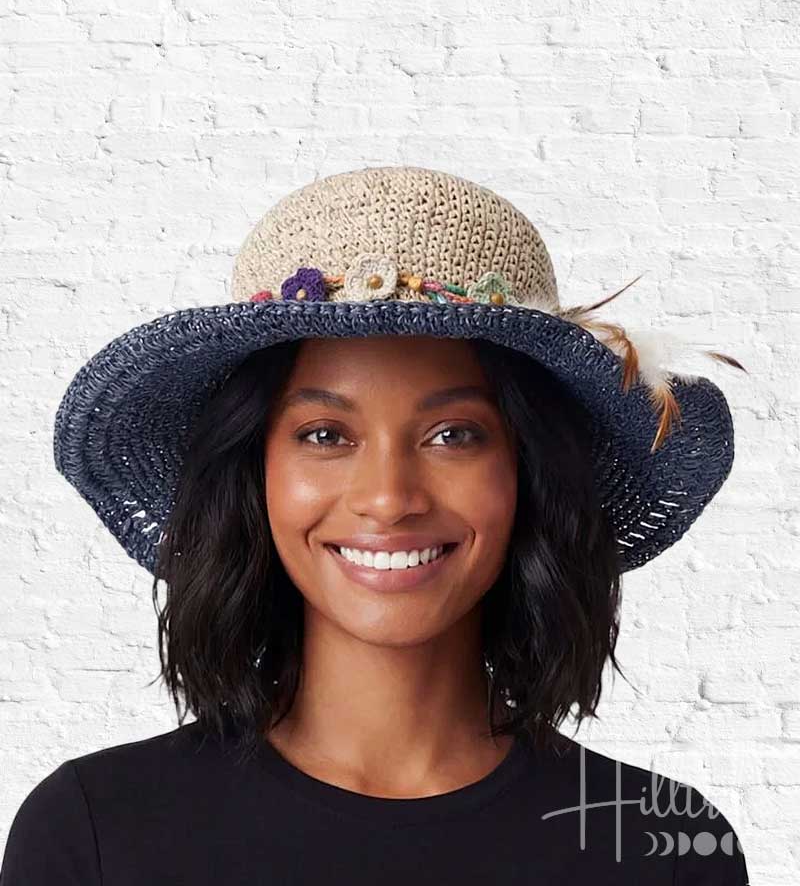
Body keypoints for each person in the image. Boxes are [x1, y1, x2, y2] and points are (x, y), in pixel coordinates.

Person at [1, 166, 750, 884]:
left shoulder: (662, 851)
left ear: (529, 471)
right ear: (253, 472)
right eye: (326, 435)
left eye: (453, 435)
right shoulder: (94, 834)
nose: (389, 499)